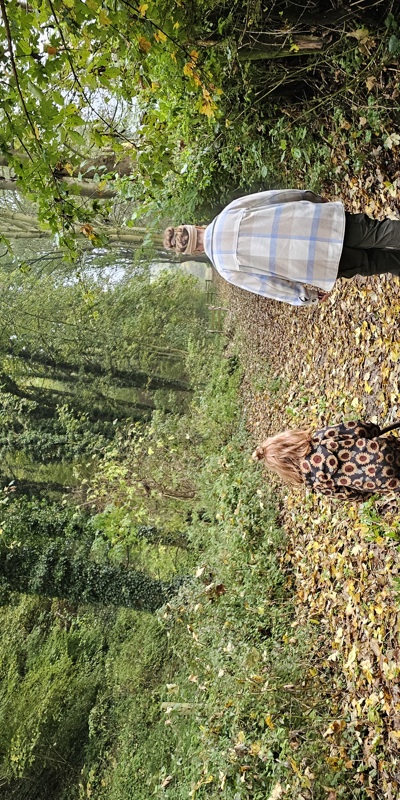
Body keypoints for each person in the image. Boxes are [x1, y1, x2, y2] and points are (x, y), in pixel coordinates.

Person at [163, 189, 400, 306]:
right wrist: (311, 197)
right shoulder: (228, 213)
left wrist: (305, 296)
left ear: (193, 252)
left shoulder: (226, 269)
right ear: (194, 226)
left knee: (376, 263)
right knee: (380, 232)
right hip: (319, 223)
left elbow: (268, 285)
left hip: (315, 263)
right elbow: (275, 198)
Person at [252, 420, 400, 500]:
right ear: (287, 439)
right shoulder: (321, 437)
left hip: (383, 480)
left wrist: (368, 491)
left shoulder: (316, 482)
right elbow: (357, 428)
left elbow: (350, 494)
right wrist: (373, 430)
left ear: (284, 468)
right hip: (386, 449)